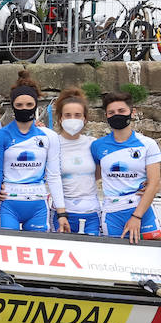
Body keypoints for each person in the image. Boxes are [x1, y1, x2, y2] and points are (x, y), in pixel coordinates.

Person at [0, 71, 67, 232]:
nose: (24, 109)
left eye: (29, 105)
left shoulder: (50, 136)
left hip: (38, 203)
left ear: (36, 104)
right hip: (8, 203)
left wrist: (61, 213)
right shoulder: (0, 135)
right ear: (12, 106)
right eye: (19, 105)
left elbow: (54, 175)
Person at [92, 91, 161, 241]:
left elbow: (154, 183)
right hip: (112, 212)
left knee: (155, 254)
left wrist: (136, 217)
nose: (116, 115)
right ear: (106, 116)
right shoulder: (98, 145)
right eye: (111, 112)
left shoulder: (147, 144)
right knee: (116, 261)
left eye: (121, 111)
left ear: (132, 112)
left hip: (141, 211)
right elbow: (93, 176)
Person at [54, 87, 103, 236]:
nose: (72, 119)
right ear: (60, 118)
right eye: (68, 115)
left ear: (85, 119)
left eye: (77, 115)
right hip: (63, 212)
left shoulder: (93, 144)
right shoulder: (53, 144)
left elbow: (101, 172)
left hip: (91, 211)